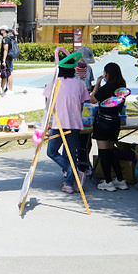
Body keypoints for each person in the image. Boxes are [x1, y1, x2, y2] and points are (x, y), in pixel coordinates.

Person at [44, 64, 90, 194]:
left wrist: (47, 122)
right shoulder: (79, 84)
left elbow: (48, 106)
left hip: (59, 124)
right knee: (72, 155)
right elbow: (82, 105)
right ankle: (72, 179)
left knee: (52, 151)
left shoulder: (54, 83)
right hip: (74, 123)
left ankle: (71, 178)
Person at [90, 62, 128, 191]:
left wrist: (97, 85)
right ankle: (120, 179)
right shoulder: (122, 86)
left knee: (104, 152)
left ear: (108, 74)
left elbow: (92, 100)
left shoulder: (107, 87)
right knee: (111, 151)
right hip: (115, 121)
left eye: (105, 73)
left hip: (103, 122)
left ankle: (107, 181)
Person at [0, 27, 16, 95]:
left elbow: (5, 50)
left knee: (7, 73)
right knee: (5, 74)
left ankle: (10, 89)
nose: (0, 31)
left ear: (4, 31)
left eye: (1, 30)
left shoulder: (5, 39)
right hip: (8, 58)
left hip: (6, 59)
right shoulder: (8, 38)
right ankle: (2, 88)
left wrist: (3, 60)